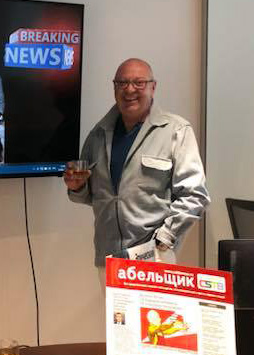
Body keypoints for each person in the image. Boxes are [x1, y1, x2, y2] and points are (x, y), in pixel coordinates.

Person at [64, 58, 209, 277]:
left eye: (139, 83)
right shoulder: (98, 135)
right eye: (122, 83)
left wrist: (164, 240)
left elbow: (195, 195)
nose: (129, 89)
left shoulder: (176, 131)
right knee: (110, 304)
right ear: (114, 88)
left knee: (156, 304)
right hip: (108, 258)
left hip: (154, 257)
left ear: (153, 87)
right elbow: (97, 197)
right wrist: (77, 187)